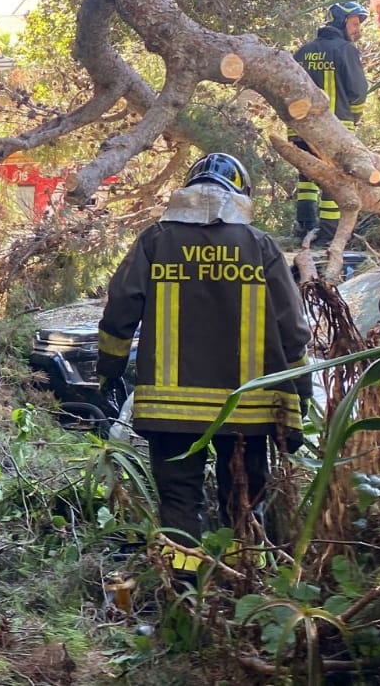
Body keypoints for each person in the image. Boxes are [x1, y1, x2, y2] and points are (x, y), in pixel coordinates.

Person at [94, 153, 312, 580]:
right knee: (244, 500)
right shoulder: (261, 246)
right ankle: (245, 592)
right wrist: (300, 394)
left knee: (179, 501)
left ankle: (185, 598)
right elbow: (292, 329)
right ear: (240, 194)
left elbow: (120, 310)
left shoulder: (155, 241)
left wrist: (110, 370)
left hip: (171, 411)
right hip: (245, 411)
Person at [291, 1, 371, 246]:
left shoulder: (303, 52)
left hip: (300, 128)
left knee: (306, 176)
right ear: (341, 21)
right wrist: (354, 117)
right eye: (355, 23)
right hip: (334, 128)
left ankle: (304, 226)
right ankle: (328, 235)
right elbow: (358, 90)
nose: (357, 29)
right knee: (333, 179)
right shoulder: (345, 50)